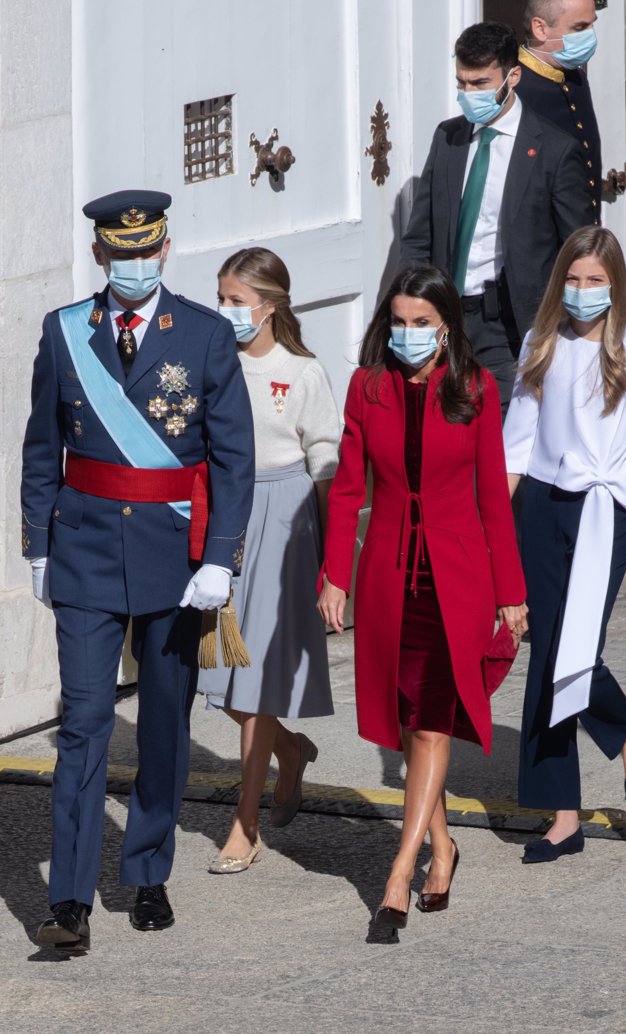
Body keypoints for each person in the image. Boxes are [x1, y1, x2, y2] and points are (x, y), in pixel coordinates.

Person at [21, 190, 255, 950]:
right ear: (99, 255)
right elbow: (40, 446)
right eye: (119, 254)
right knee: (84, 724)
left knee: (162, 724)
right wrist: (37, 544)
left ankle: (147, 871)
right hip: (85, 549)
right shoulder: (64, 334)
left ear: (164, 248)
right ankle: (70, 900)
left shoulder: (206, 335)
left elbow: (232, 460)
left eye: (145, 252)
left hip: (172, 557)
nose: (133, 265)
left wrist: (220, 559)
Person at [317, 265, 528, 931]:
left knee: (433, 718)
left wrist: (511, 593)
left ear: (446, 330)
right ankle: (444, 845)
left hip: (455, 579)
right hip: (387, 574)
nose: (409, 335)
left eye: (423, 325)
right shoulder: (367, 387)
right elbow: (348, 488)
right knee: (408, 723)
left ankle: (398, 874)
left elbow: (494, 496)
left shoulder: (475, 388)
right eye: (400, 323)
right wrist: (335, 575)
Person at [503, 226, 626, 863]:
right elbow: (517, 443)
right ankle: (564, 814)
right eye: (572, 280)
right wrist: (494, 527)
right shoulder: (540, 345)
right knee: (546, 649)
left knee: (575, 647)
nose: (581, 292)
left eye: (594, 281)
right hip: (543, 507)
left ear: (615, 286)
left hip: (607, 512)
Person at [198, 247, 339, 874]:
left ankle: (245, 825)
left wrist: (333, 557)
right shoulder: (211, 359)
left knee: (253, 683)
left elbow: (325, 461)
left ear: (270, 305)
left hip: (283, 516)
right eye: (221, 298)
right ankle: (290, 747)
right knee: (218, 672)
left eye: (237, 300)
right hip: (223, 508)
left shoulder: (301, 372)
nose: (226, 311)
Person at [400, 21, 594, 412]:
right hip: (444, 319)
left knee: (501, 440)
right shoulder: (448, 138)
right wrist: (416, 308)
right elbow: (420, 235)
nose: (468, 95)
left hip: (507, 325)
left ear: (513, 76)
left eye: (481, 84)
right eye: (462, 84)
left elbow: (580, 248)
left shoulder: (554, 150)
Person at [517, 0, 602, 213]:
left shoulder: (575, 77)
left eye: (592, 25)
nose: (590, 35)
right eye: (580, 28)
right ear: (540, 29)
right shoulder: (515, 89)